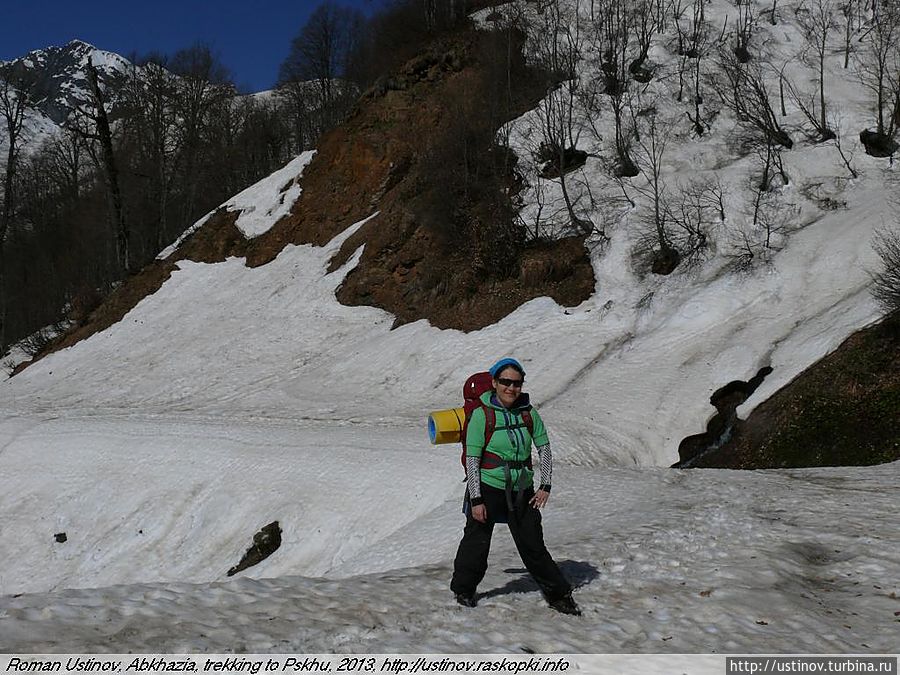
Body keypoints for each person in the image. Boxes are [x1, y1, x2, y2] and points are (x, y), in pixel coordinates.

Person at [450, 357, 581, 615]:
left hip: (522, 490)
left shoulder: (528, 412)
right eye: (506, 382)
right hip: (488, 487)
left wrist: (545, 484)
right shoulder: (481, 415)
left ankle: (559, 593)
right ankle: (463, 590)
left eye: (517, 383)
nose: (511, 388)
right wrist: (476, 500)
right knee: (476, 543)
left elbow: (544, 448)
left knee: (533, 544)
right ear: (495, 383)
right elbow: (473, 460)